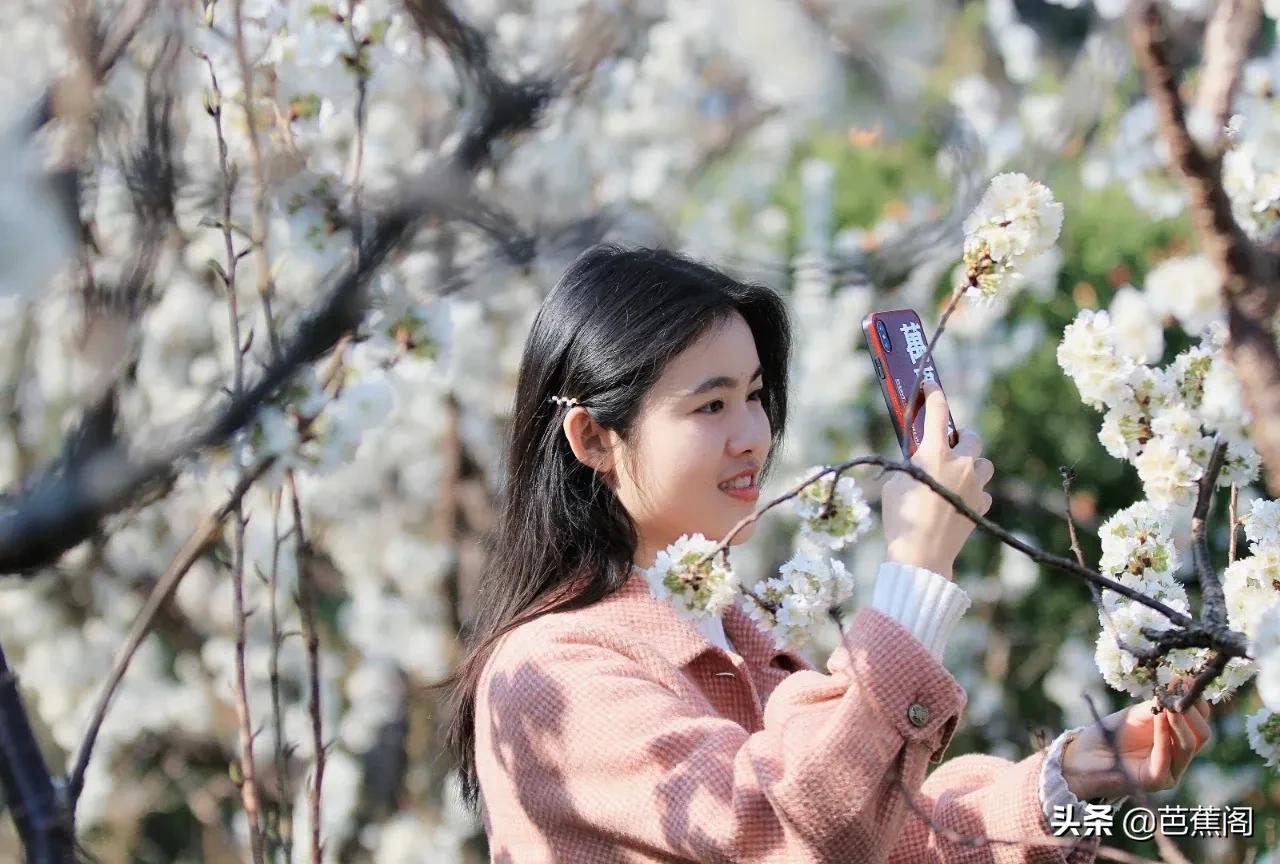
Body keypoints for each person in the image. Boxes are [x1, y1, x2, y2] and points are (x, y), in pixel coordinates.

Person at [440, 244, 1212, 863]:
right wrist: (915, 573)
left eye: (752, 394)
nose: (751, 435)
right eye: (710, 405)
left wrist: (1064, 780)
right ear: (594, 438)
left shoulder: (737, 634)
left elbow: (887, 837)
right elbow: (786, 830)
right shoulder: (551, 674)